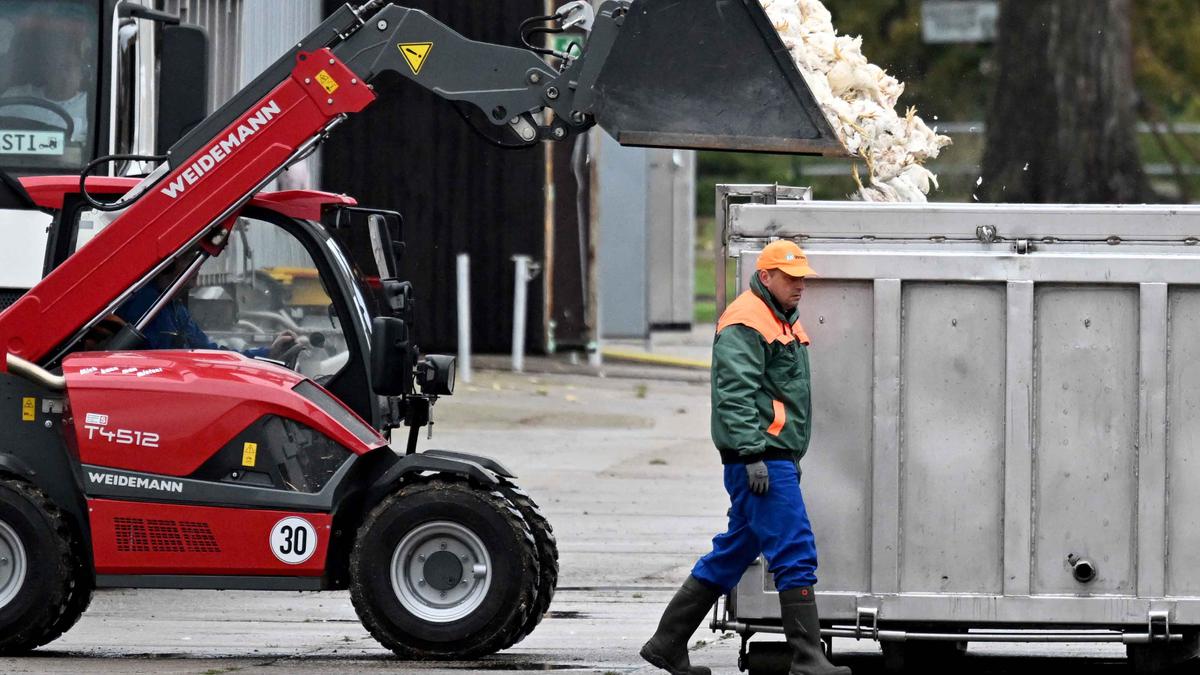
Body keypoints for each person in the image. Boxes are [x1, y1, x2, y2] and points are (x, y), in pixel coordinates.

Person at [641, 241, 850, 675]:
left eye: (802, 278)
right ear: (766, 276)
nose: (799, 286)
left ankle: (667, 642)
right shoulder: (747, 320)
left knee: (735, 552)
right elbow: (734, 395)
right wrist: (752, 455)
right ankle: (808, 658)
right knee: (795, 548)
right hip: (760, 460)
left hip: (771, 457)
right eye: (790, 278)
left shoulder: (781, 317)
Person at [115, 258, 296, 359]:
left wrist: (268, 353)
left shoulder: (174, 307)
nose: (198, 266)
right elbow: (163, 360)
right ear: (170, 264)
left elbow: (207, 352)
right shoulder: (144, 304)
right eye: (191, 257)